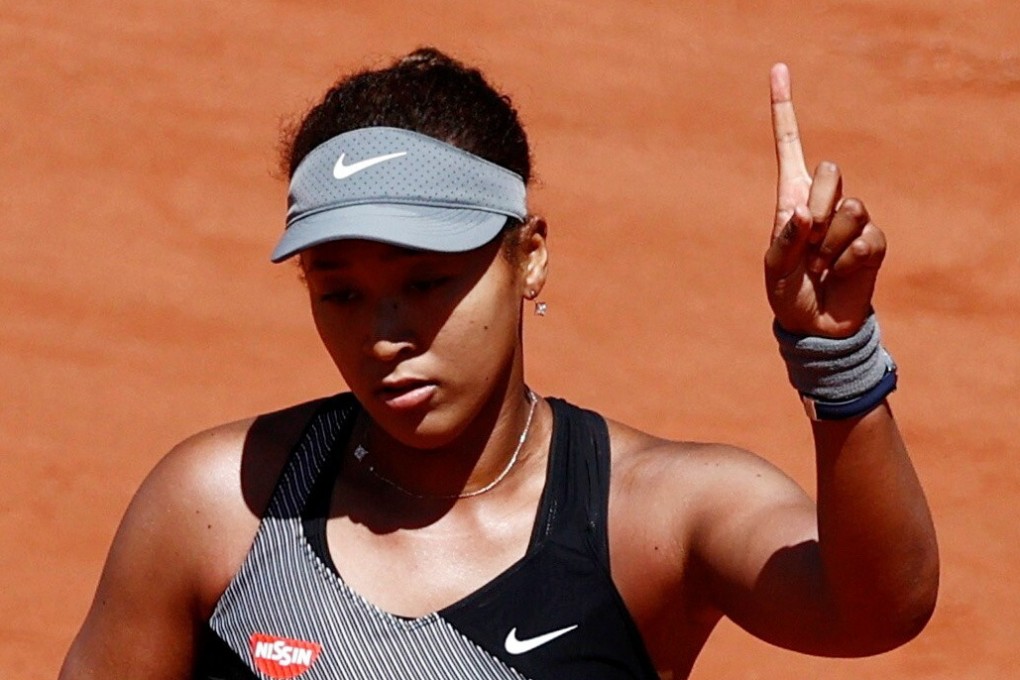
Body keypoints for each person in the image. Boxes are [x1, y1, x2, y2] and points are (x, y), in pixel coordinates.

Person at [59, 48, 939, 680]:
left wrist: (836, 355)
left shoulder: (651, 516)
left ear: (531, 257)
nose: (386, 332)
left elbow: (874, 611)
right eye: (340, 293)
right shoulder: (220, 506)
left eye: (428, 280)